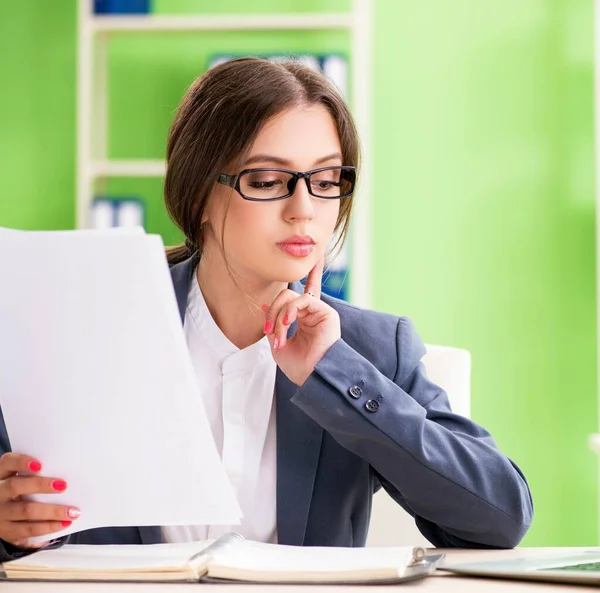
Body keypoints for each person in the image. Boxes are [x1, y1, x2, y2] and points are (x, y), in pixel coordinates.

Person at [0, 57, 533, 560]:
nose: (304, 209)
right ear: (200, 193)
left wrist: (335, 374)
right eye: (267, 181)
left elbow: (499, 517)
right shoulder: (84, 323)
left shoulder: (370, 347)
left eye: (325, 181)